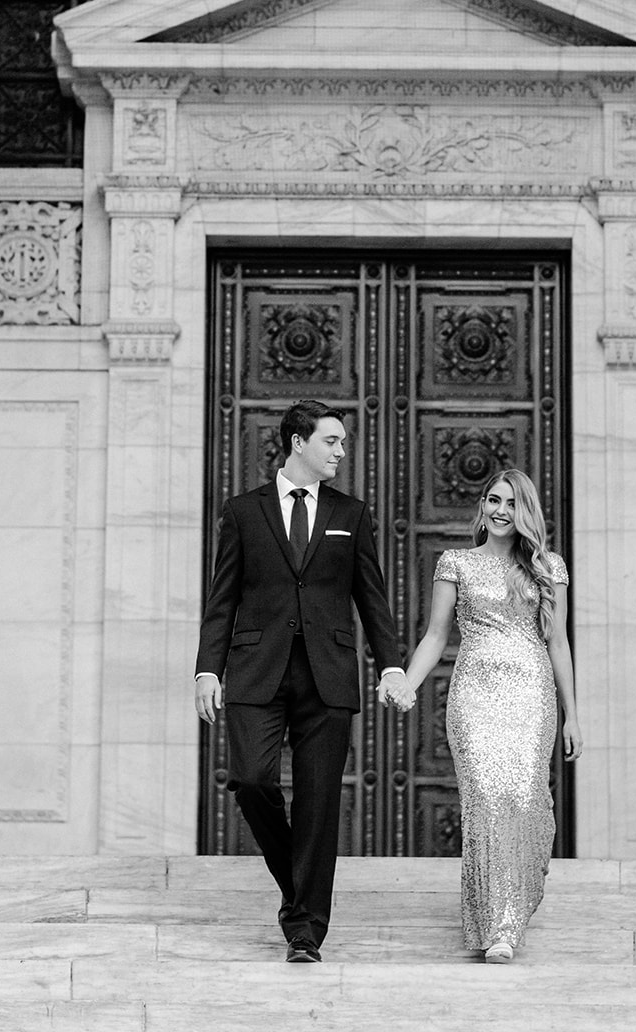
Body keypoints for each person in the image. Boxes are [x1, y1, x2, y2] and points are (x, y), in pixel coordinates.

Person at [194, 399, 413, 963]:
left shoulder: (352, 513)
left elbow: (372, 597)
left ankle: (305, 931)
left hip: (328, 673)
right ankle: (300, 884)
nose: (341, 451)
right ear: (298, 442)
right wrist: (206, 669)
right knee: (250, 778)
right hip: (256, 669)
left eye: (341, 442)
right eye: (332, 441)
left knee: (318, 803)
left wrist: (391, 663)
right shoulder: (244, 511)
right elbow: (222, 599)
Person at [402, 468, 582, 963]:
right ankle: (497, 928)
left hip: (531, 696)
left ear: (526, 512)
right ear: (481, 506)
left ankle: (513, 908)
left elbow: (559, 641)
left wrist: (572, 714)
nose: (501, 510)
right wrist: (408, 684)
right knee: (484, 800)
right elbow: (436, 636)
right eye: (493, 500)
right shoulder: (455, 563)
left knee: (524, 797)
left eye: (511, 503)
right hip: (474, 698)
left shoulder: (550, 568)